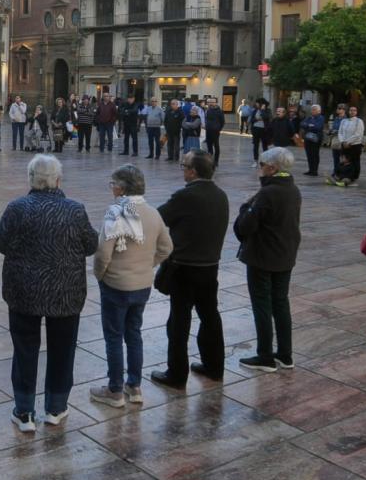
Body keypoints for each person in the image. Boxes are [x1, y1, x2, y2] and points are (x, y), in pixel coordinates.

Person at [0, 155, 98, 431]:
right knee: (63, 351)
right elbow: (91, 244)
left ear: (31, 179)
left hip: (24, 291)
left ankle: (24, 412)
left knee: (25, 350)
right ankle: (56, 408)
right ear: (58, 180)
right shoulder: (75, 210)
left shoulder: (17, 208)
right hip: (65, 292)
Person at [89, 164, 172, 408]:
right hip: (142, 284)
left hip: (116, 284)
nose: (111, 188)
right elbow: (167, 248)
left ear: (122, 188)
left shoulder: (117, 212)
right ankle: (134, 386)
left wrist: (101, 275)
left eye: (113, 183)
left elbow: (103, 252)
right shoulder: (153, 213)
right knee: (134, 334)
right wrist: (148, 264)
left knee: (114, 337)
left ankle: (114, 390)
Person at [147, 151, 229, 387]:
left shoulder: (187, 196)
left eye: (184, 166)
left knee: (179, 322)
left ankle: (176, 374)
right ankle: (214, 367)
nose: (182, 169)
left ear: (193, 171)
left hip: (185, 267)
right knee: (210, 316)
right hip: (210, 266)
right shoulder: (220, 194)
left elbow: (158, 217)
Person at [235, 147, 301, 372]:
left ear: (272, 168)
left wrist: (246, 207)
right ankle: (285, 354)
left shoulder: (268, 193)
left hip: (263, 256)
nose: (259, 168)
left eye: (261, 164)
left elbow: (245, 226)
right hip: (285, 254)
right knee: (280, 303)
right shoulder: (292, 189)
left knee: (262, 304)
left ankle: (264, 356)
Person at [330, 106, 366, 187]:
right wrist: (343, 141)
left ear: (356, 112)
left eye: (354, 110)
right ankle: (341, 175)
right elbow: (340, 132)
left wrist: (349, 142)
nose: (352, 112)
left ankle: (352, 177)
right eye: (350, 110)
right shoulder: (344, 121)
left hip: (355, 145)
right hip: (344, 144)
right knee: (344, 160)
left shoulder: (359, 121)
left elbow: (358, 134)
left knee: (354, 161)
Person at [299, 104, 325, 176]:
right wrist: (309, 125)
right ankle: (310, 169)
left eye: (314, 109)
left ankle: (315, 170)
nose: (312, 111)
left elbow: (318, 127)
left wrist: (308, 125)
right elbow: (302, 124)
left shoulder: (321, 118)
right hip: (307, 138)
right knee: (309, 154)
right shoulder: (309, 118)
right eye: (312, 109)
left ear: (319, 111)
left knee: (314, 154)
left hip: (316, 139)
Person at [203, 98, 224, 165]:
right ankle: (210, 159)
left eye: (212, 102)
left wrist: (218, 128)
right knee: (209, 145)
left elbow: (222, 121)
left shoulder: (219, 111)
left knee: (216, 146)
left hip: (215, 131)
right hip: (208, 130)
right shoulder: (208, 110)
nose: (210, 103)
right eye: (209, 102)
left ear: (216, 103)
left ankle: (216, 161)